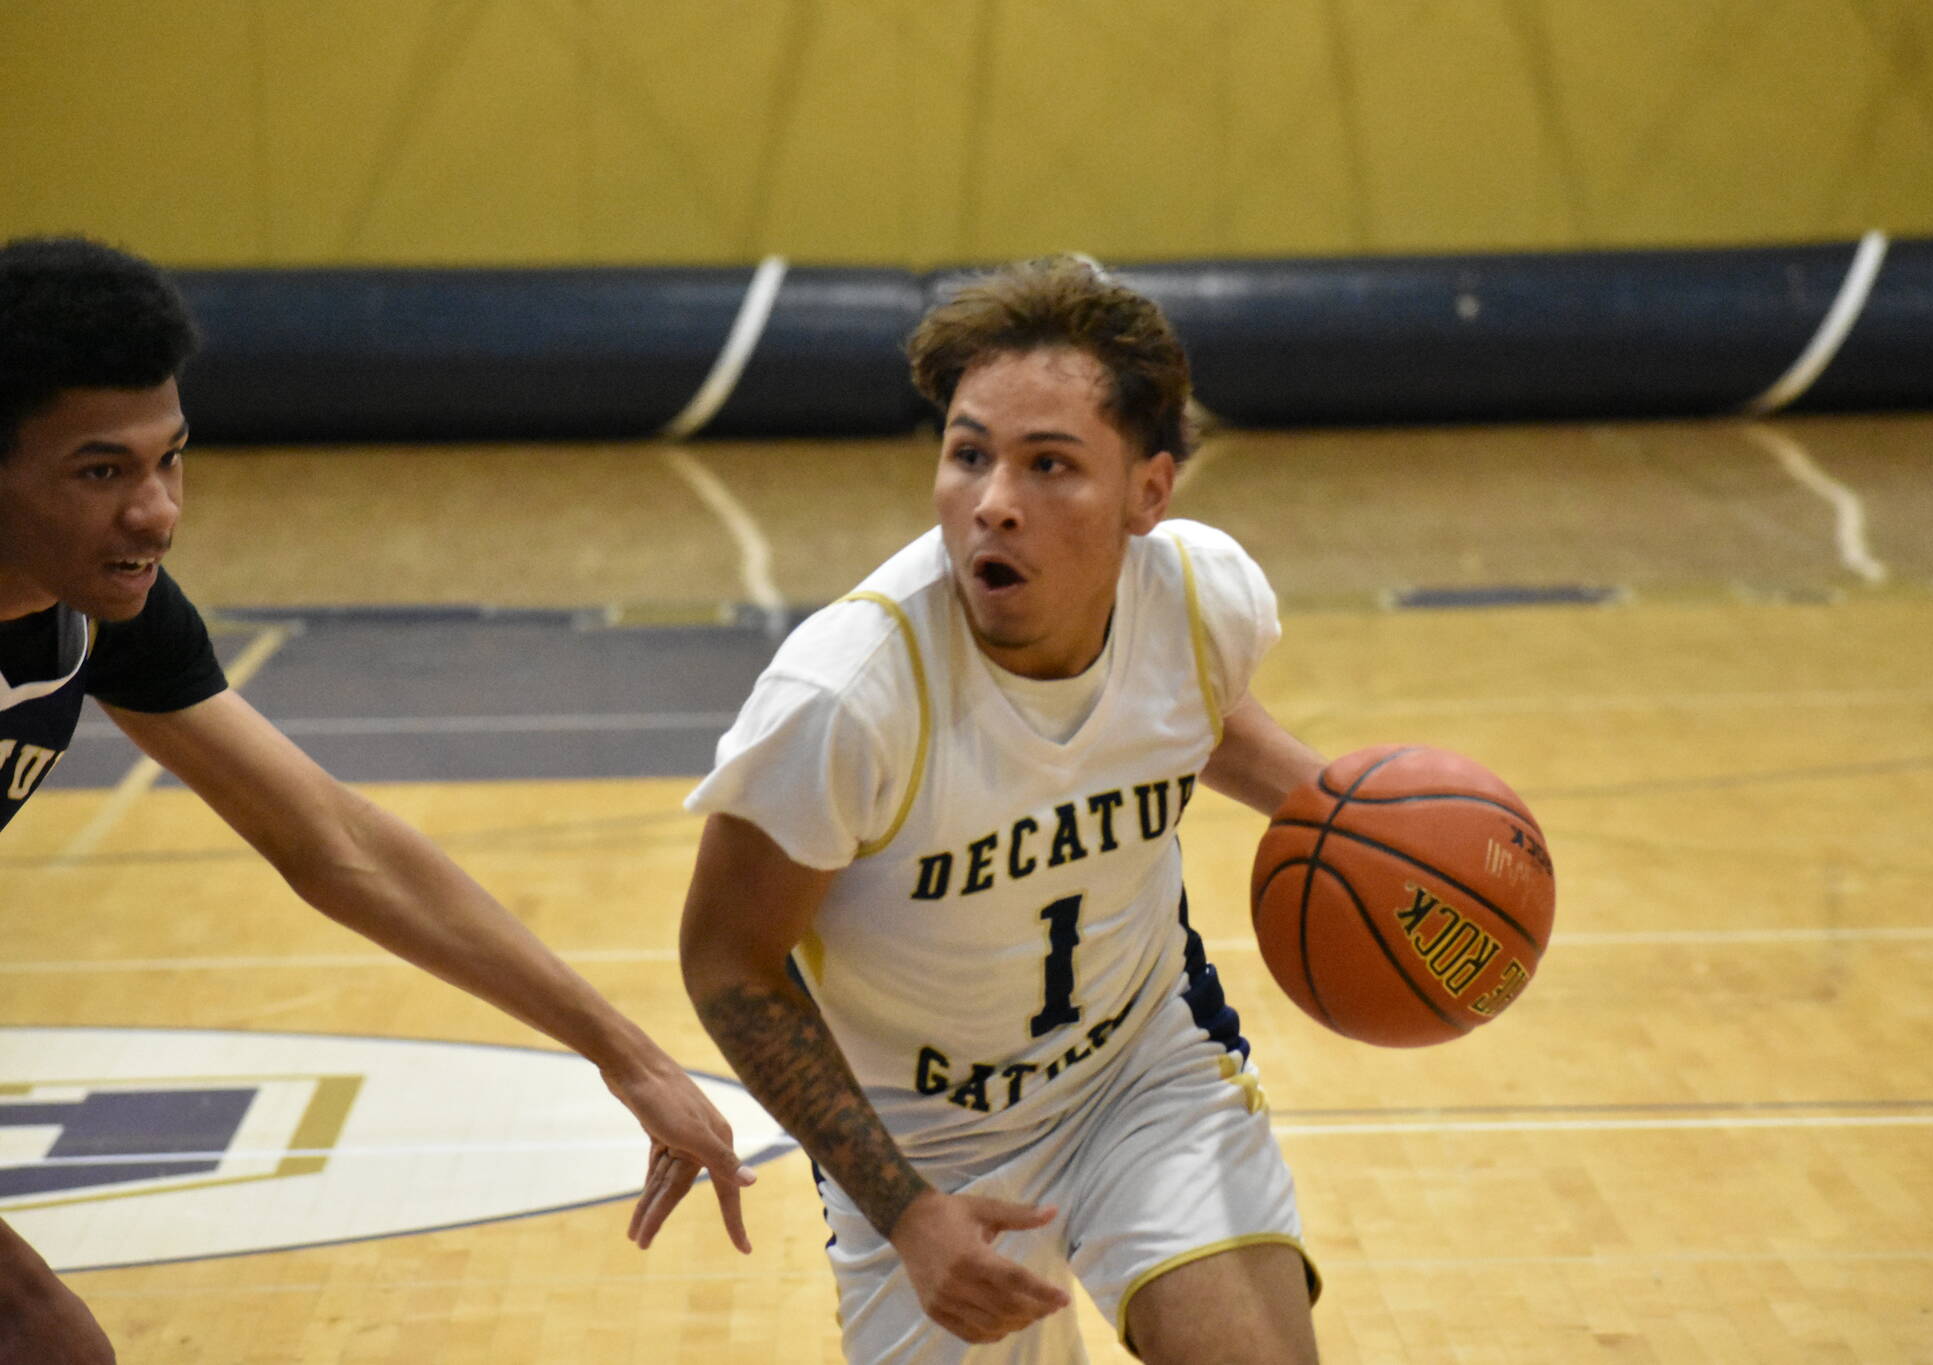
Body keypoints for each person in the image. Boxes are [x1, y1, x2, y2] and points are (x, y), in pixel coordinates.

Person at [0, 235, 753, 1365]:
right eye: (101, 472)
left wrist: (625, 1053)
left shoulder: (107, 614)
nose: (155, 514)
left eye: (172, 461)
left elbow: (334, 842)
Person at [659, 257, 1325, 1362]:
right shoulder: (844, 697)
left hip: (1136, 1073)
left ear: (1147, 494)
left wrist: (1347, 818)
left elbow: (1190, 714)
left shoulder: (1203, 598)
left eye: (1048, 464)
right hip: (920, 1146)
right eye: (967, 455)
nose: (993, 502)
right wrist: (907, 1210)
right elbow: (729, 963)